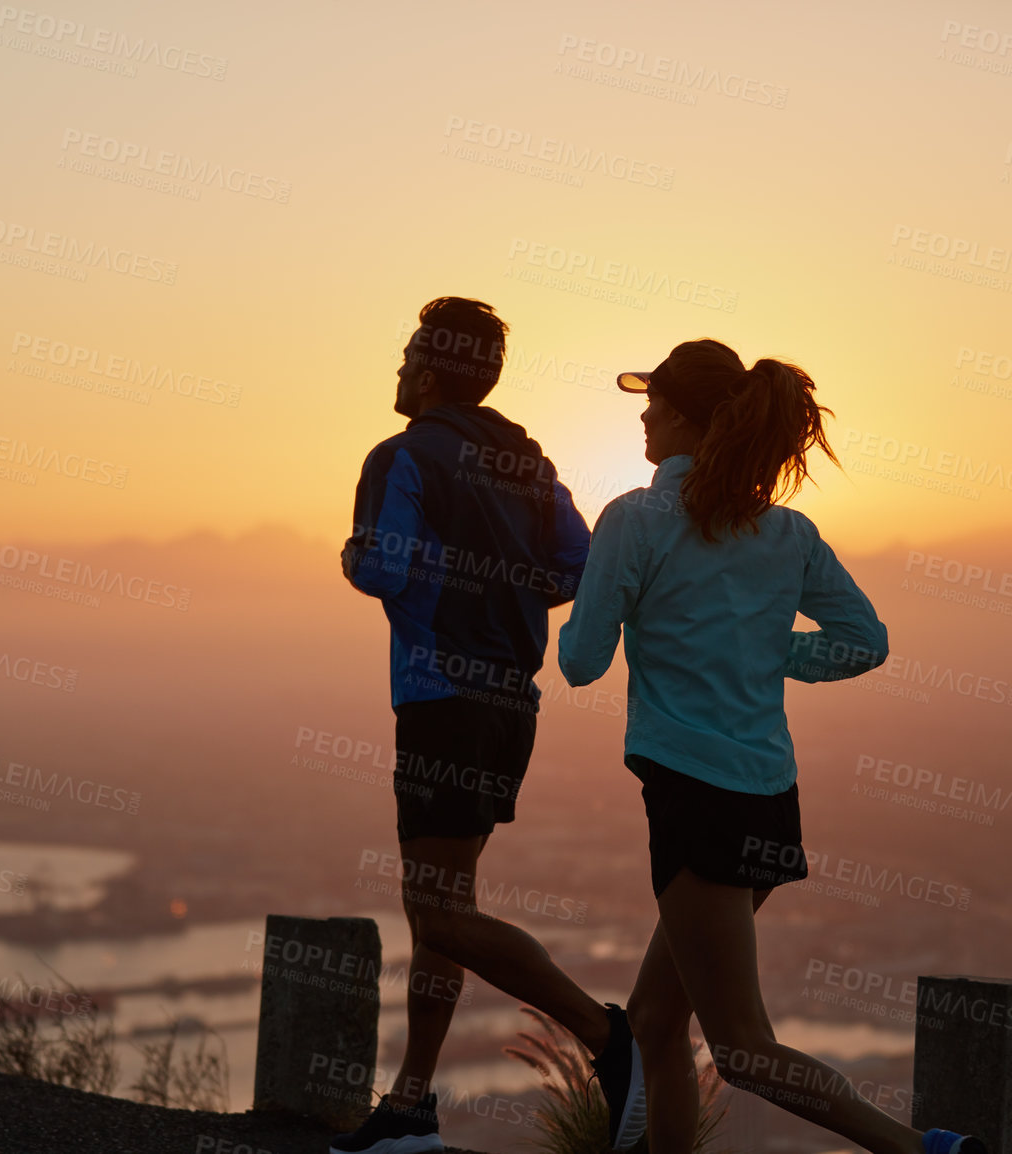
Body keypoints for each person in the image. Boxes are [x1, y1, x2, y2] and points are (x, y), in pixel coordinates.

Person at [556, 339, 988, 1154]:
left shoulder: (634, 520)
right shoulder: (787, 533)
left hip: (693, 798)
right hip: (766, 797)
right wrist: (766, 651)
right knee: (653, 1018)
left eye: (654, 402)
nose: (643, 415)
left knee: (744, 1048)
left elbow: (580, 664)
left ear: (684, 415)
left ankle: (917, 1149)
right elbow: (865, 641)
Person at [333, 297, 646, 1154]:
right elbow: (576, 566)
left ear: (430, 371)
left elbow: (381, 567)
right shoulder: (529, 462)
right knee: (443, 903)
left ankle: (609, 1037)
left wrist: (361, 557)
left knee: (437, 916)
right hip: (513, 701)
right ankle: (410, 1105)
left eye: (406, 356)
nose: (397, 370)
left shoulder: (399, 458)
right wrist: (506, 592)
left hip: (440, 699)